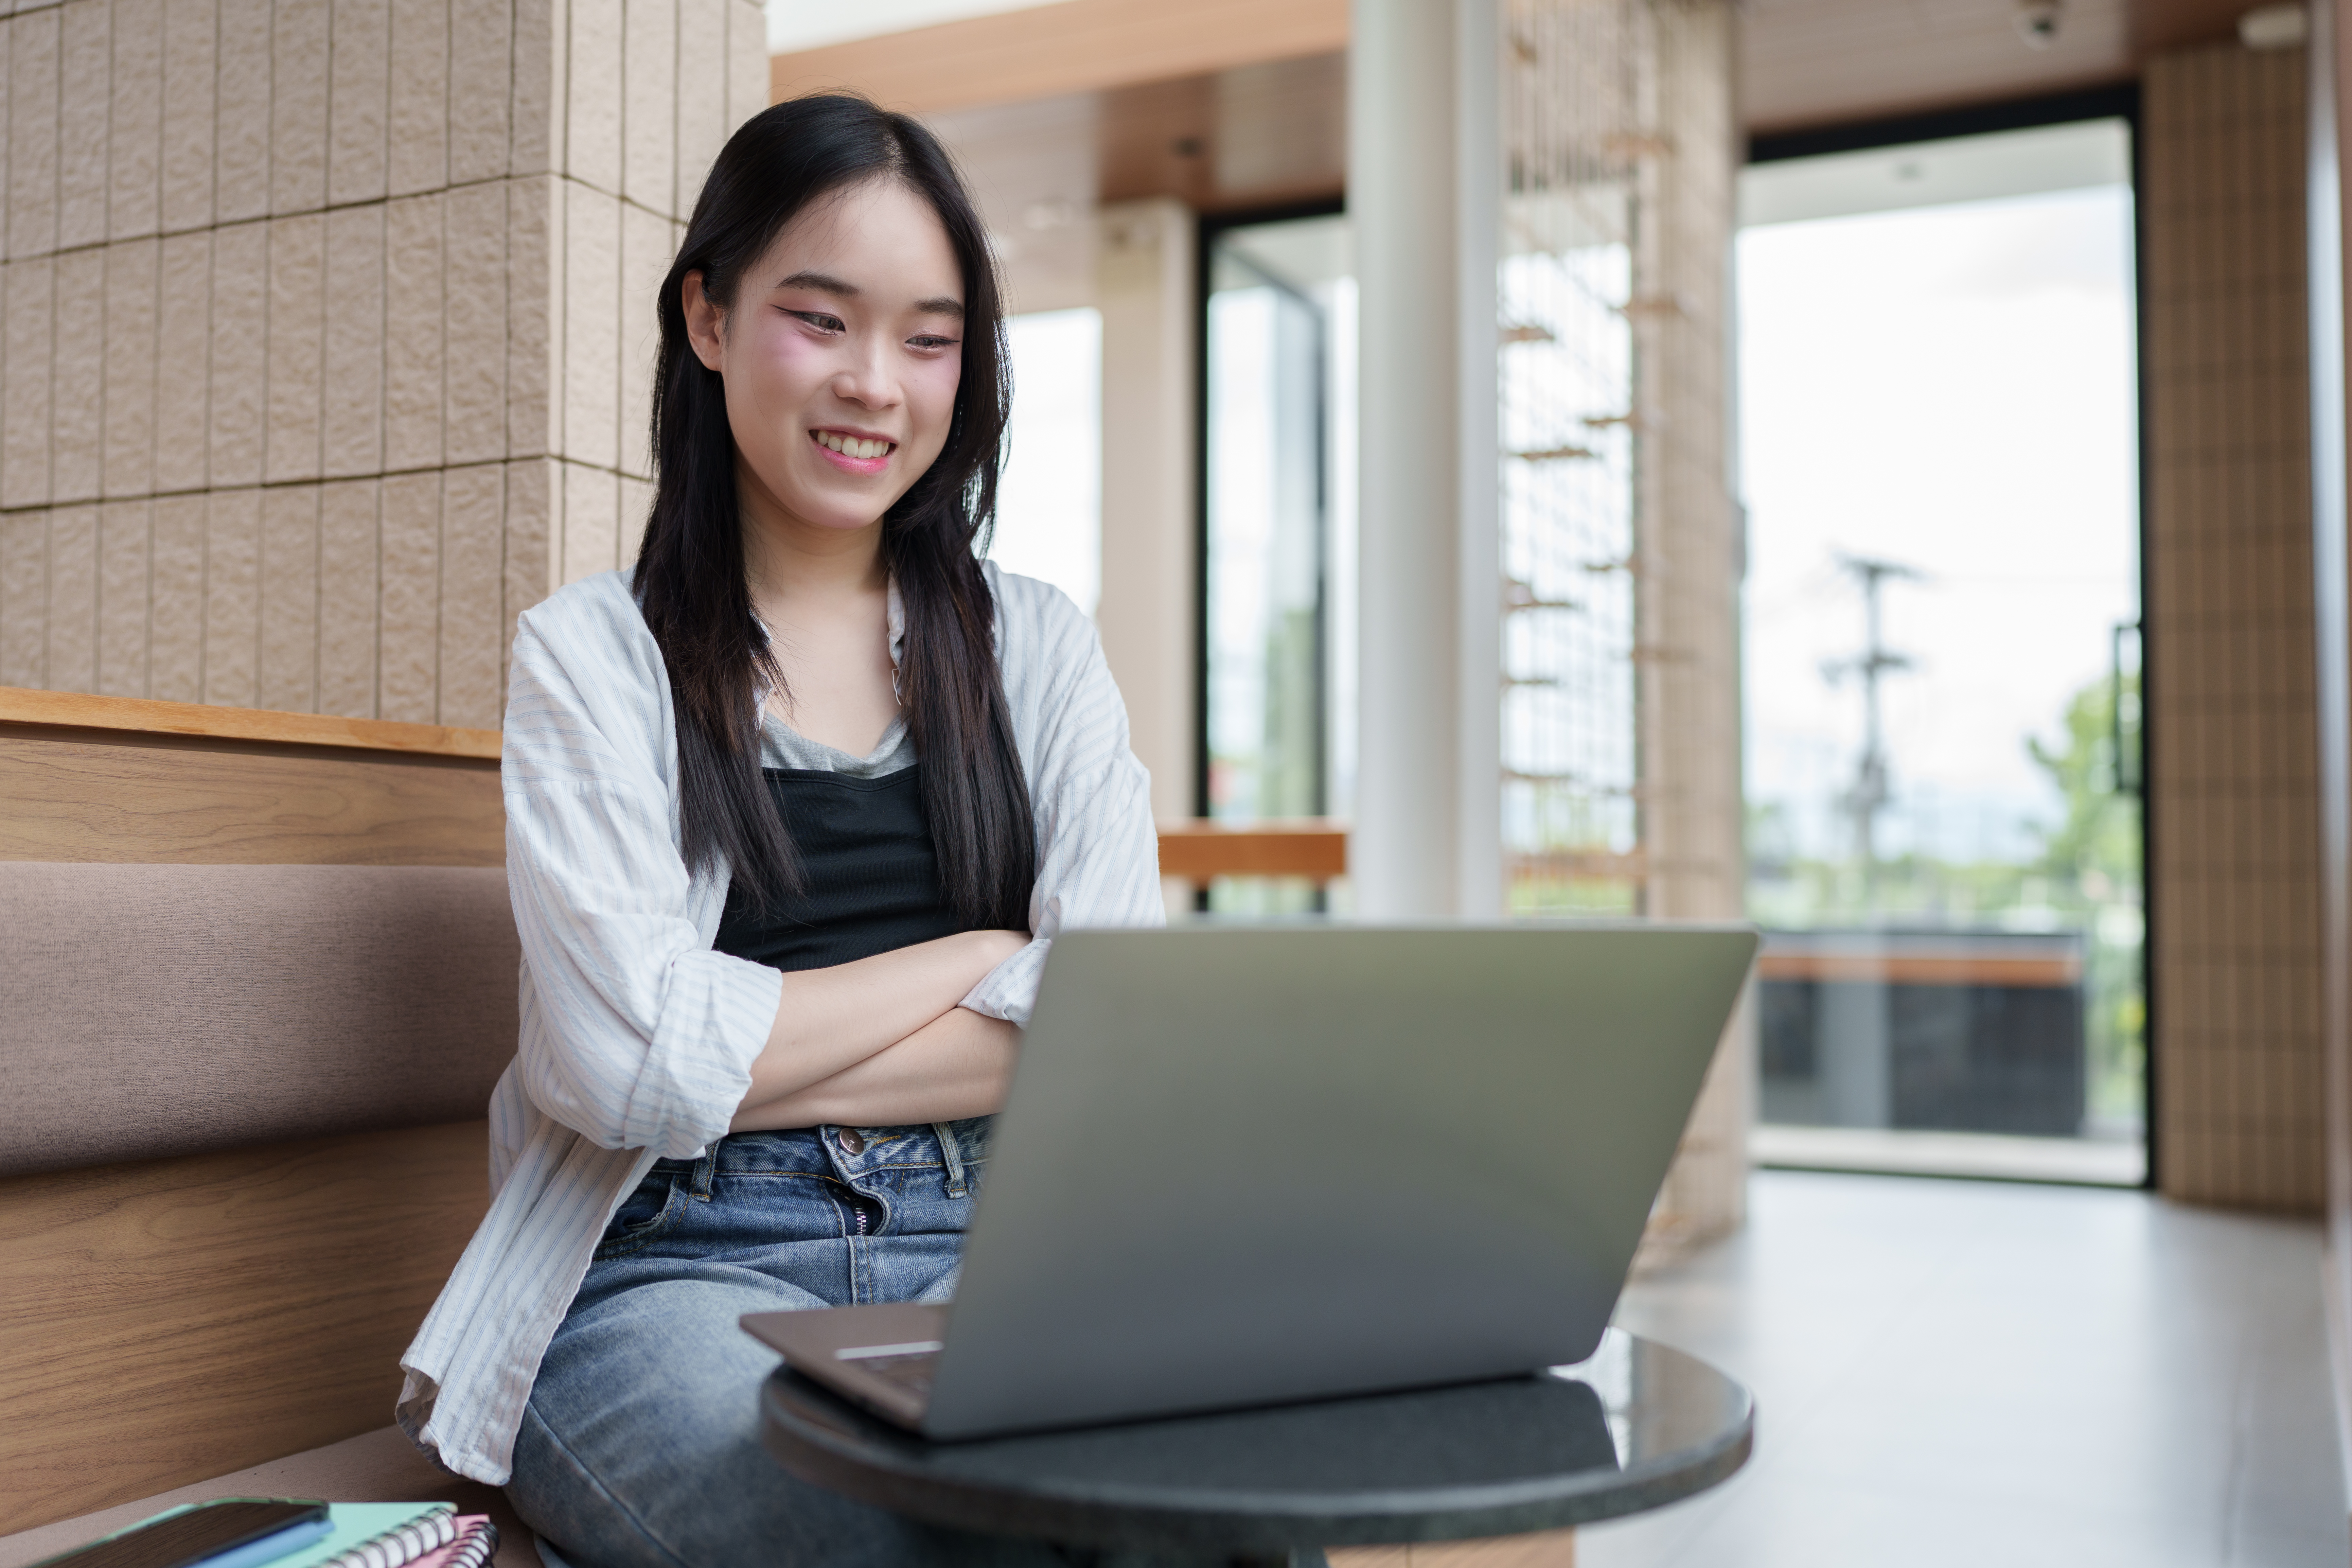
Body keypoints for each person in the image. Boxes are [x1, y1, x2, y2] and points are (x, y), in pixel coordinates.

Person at [394, 95, 1164, 1567]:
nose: (876, 383)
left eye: (929, 340)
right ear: (708, 316)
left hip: (1000, 1246)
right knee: (885, 1521)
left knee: (1211, 1492)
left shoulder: (1040, 648)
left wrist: (736, 1054)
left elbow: (1117, 1017)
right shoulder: (593, 657)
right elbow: (622, 1063)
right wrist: (990, 954)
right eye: (822, 320)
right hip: (674, 1267)